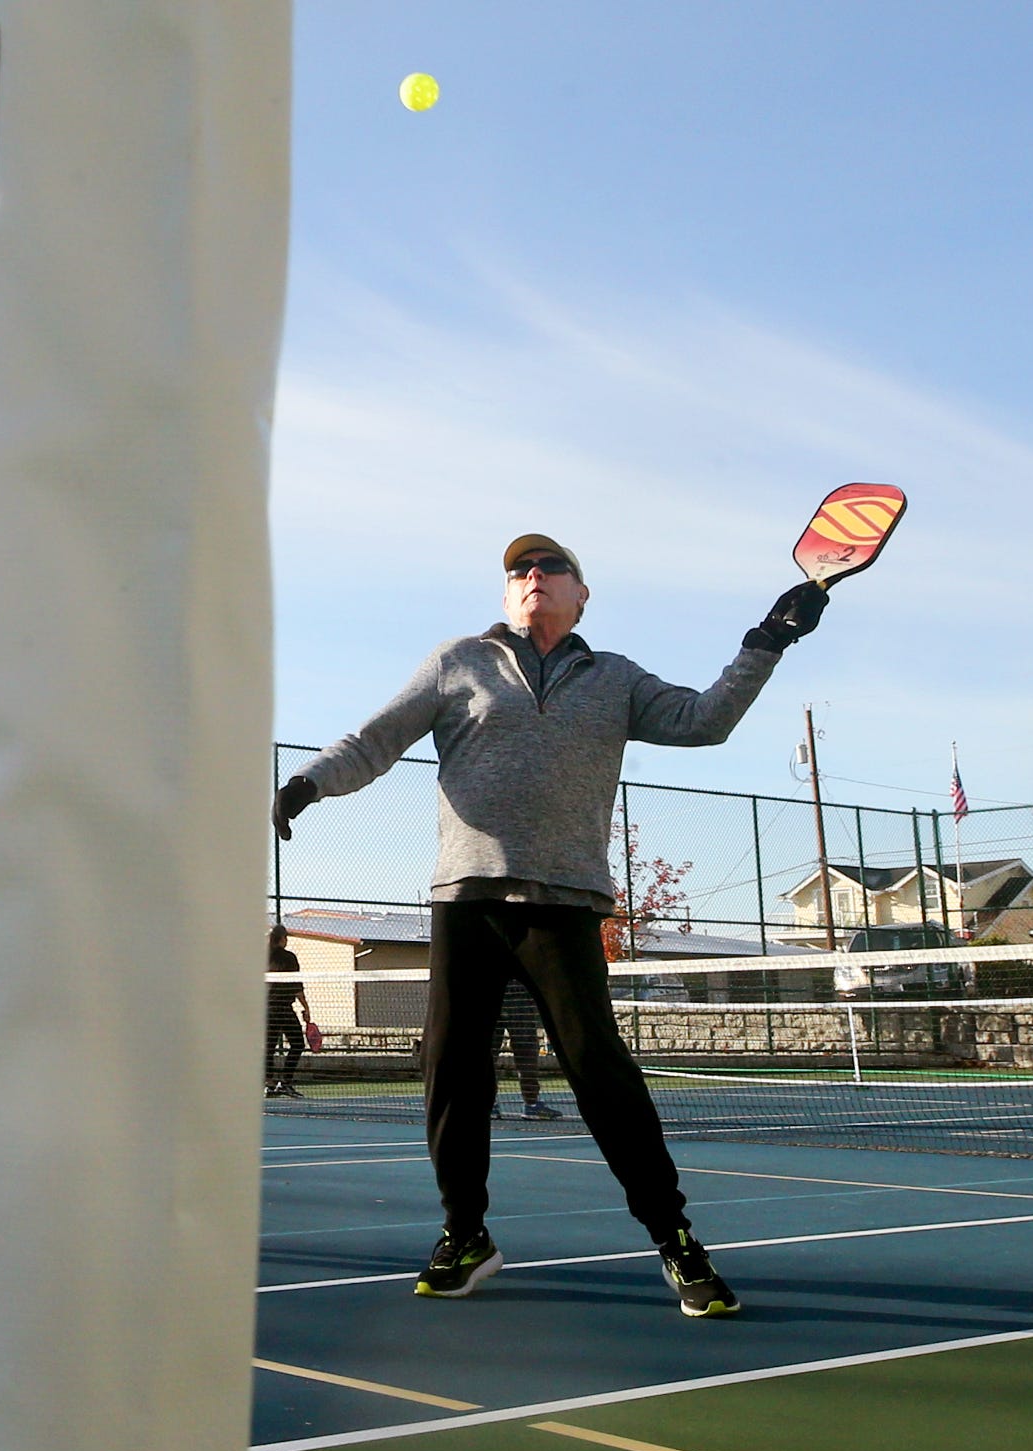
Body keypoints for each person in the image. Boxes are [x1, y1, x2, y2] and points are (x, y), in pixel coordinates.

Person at [274, 531, 831, 1316]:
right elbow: (375, 740)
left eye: (550, 566)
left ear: (581, 595)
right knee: (450, 1068)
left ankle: (674, 1237)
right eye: (518, 570)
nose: (532, 575)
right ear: (507, 597)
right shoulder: (457, 661)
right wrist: (307, 782)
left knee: (599, 1070)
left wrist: (767, 639)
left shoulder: (616, 679)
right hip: (467, 898)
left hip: (565, 903)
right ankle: (464, 1234)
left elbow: (706, 720)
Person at [493, 982, 562, 1120]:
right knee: (526, 1049)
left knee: (490, 1051)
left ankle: (490, 1105)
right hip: (517, 995)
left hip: (493, 992)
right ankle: (531, 1104)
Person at [264, 925, 309, 1100]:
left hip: (265, 1009)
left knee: (268, 1047)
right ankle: (285, 1082)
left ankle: (269, 1084)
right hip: (282, 1008)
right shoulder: (289, 958)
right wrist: (306, 1007)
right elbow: (296, 986)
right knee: (298, 1044)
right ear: (282, 938)